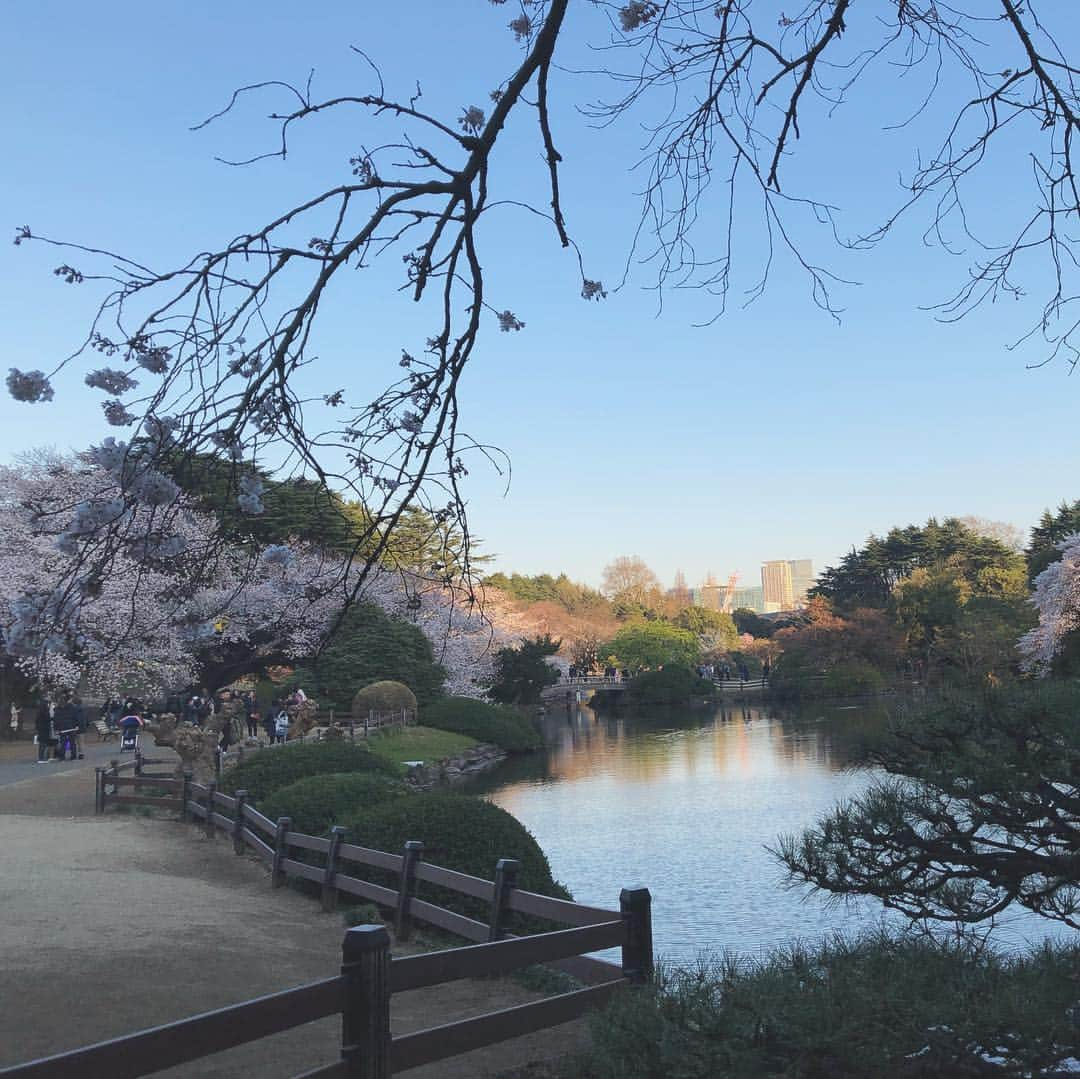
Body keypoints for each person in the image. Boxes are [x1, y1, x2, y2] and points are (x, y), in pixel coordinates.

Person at [34, 699, 53, 763]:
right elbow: (48, 720)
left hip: (40, 729)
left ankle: (41, 757)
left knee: (42, 743)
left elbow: (36, 721)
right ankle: (41, 758)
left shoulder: (39, 712)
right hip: (45, 729)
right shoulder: (45, 712)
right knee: (43, 744)